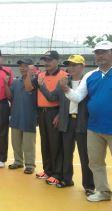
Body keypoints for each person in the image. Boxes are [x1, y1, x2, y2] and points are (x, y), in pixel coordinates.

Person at [62, 41, 112, 211]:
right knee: (95, 162)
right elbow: (77, 97)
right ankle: (103, 191)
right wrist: (66, 89)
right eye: (97, 52)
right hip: (94, 127)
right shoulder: (90, 75)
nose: (100, 55)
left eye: (104, 52)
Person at [38, 55, 94, 193]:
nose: (72, 68)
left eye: (75, 65)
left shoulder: (89, 83)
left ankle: (89, 186)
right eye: (70, 65)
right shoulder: (64, 82)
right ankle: (67, 179)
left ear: (83, 66)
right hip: (67, 122)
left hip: (82, 122)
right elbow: (52, 98)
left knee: (84, 156)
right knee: (66, 153)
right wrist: (42, 85)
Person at [34, 51, 67, 185]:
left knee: (55, 144)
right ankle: (47, 170)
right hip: (42, 112)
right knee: (45, 142)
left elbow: (63, 100)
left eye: (50, 60)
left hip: (55, 113)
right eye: (45, 60)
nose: (46, 62)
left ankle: (57, 173)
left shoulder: (63, 76)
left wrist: (59, 114)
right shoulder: (40, 75)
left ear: (57, 61)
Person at [7, 58, 37, 174]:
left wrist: (29, 75)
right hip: (16, 116)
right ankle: (18, 161)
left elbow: (29, 89)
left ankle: (30, 164)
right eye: (21, 66)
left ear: (31, 67)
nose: (22, 68)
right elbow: (10, 96)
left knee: (29, 143)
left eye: (25, 66)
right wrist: (5, 84)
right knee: (15, 142)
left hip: (29, 117)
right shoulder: (15, 82)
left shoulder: (35, 82)